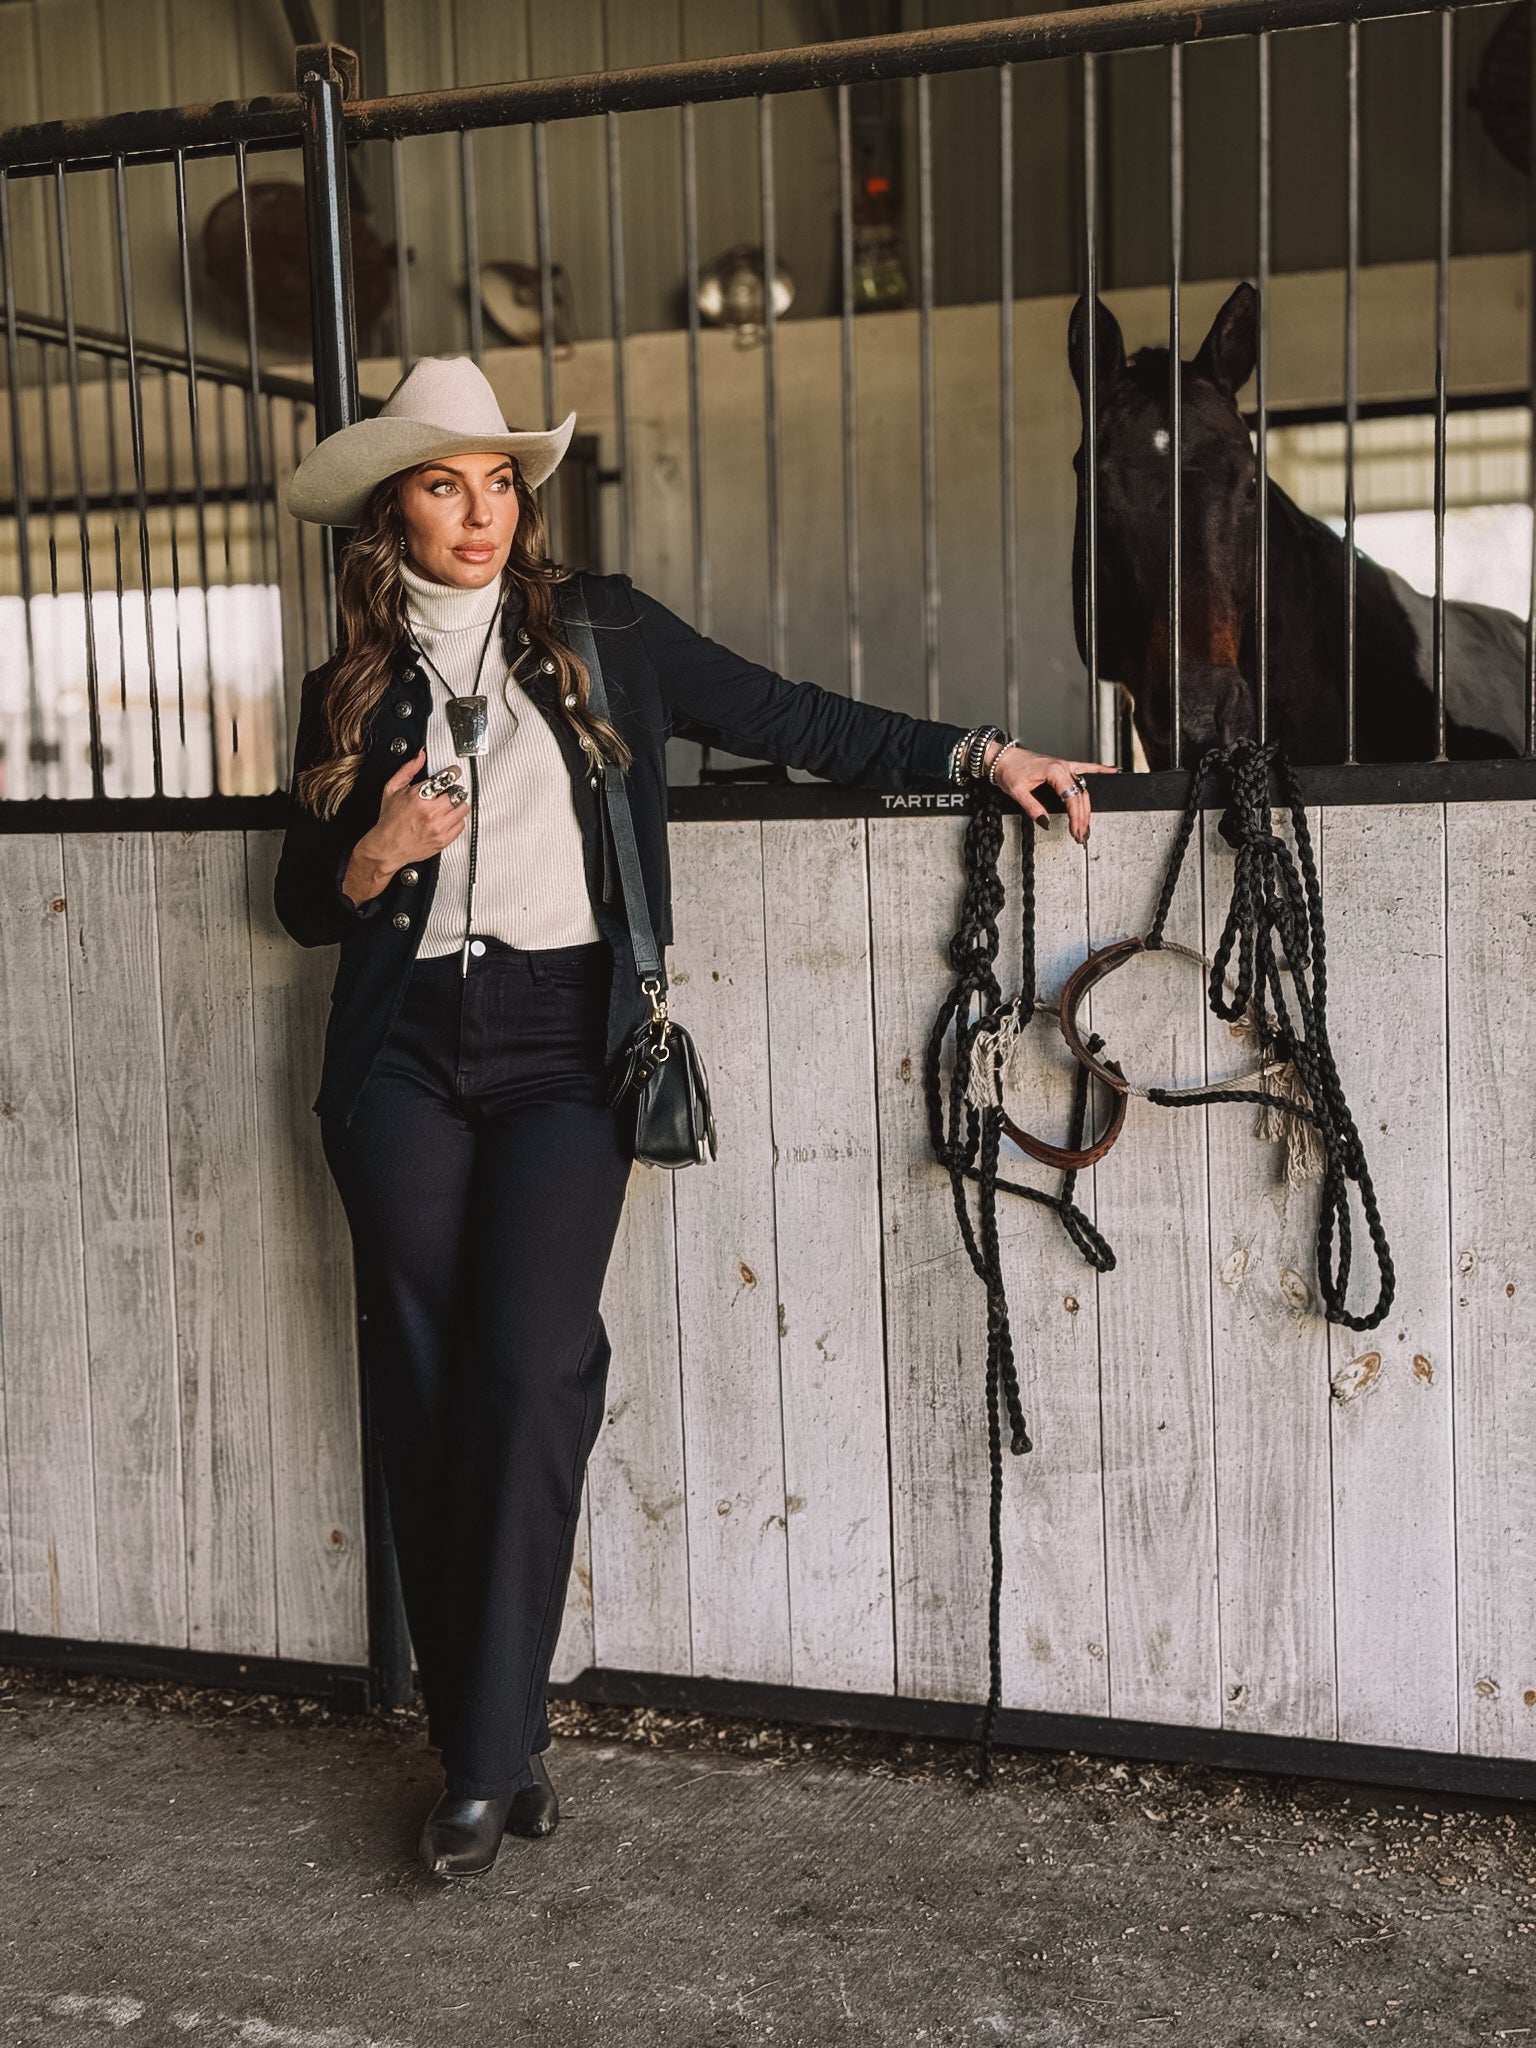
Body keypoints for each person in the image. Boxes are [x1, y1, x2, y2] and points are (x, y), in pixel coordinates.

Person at [275, 354, 1112, 1880]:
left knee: (529, 1371)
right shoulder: (356, 680)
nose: (480, 513)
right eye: (444, 484)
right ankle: (494, 1749)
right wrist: (377, 847)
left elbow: (795, 716)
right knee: (419, 1381)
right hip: (396, 1058)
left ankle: (481, 1745)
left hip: (559, 1047)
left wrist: (986, 756)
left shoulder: (603, 632)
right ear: (392, 509)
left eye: (499, 482)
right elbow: (297, 903)